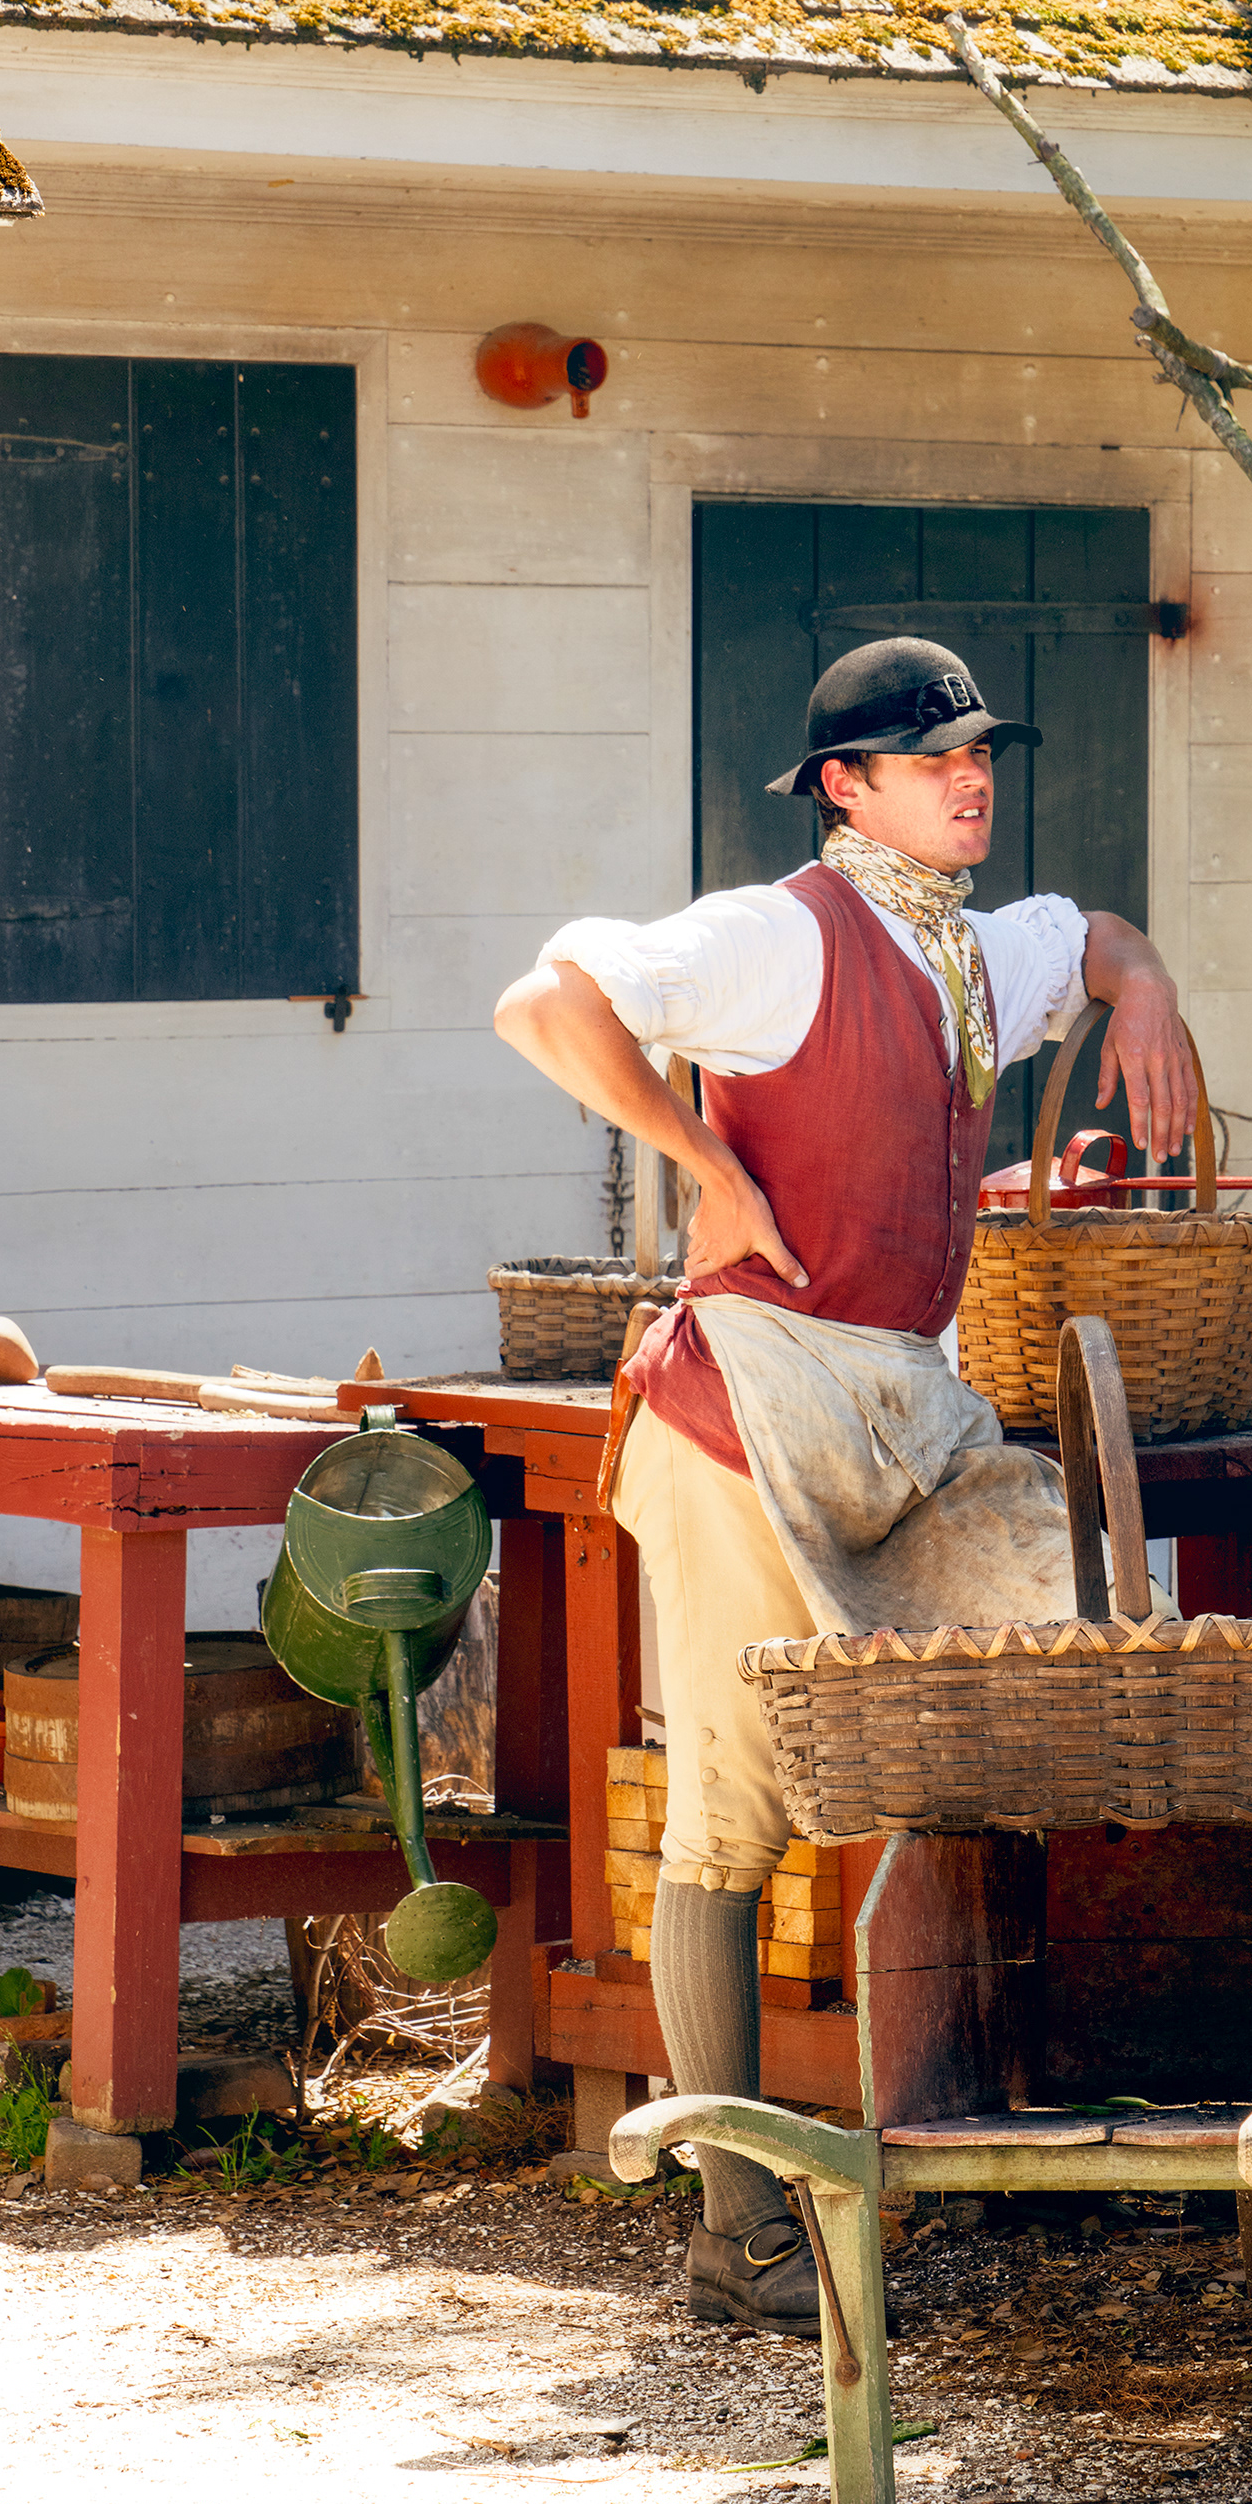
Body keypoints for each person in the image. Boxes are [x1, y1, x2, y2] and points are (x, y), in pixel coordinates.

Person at [495, 636, 1194, 2336]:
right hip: (751, 1403)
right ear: (842, 786)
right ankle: (732, 2233)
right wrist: (705, 1164)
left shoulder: (978, 947)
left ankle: (1059, 2108)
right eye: (930, 760)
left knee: (1103, 1643)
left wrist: (1148, 983)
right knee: (730, 1821)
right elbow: (543, 1001)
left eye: (981, 757)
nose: (972, 781)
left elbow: (1093, 937)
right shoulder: (771, 935)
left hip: (915, 1400)